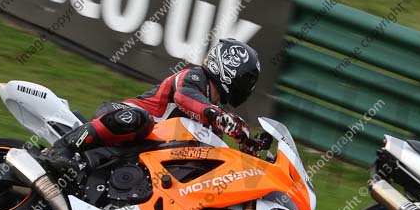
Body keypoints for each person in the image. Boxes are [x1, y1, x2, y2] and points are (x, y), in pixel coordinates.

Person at [46, 38, 261, 169]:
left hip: (145, 152)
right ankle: (64, 147)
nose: (247, 87)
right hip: (123, 115)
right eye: (246, 79)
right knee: (141, 120)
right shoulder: (194, 78)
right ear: (231, 68)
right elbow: (184, 97)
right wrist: (226, 121)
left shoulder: (212, 121)